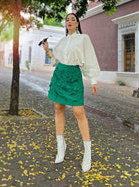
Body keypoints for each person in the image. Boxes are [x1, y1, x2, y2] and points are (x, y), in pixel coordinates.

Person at [43, 13, 100, 172]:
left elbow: (89, 59)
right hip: (60, 75)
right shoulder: (62, 41)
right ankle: (61, 147)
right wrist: (48, 50)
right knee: (58, 109)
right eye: (67, 20)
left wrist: (93, 79)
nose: (69, 22)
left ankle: (87, 153)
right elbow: (55, 61)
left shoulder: (84, 39)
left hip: (74, 76)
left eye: (72, 19)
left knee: (79, 112)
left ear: (77, 24)